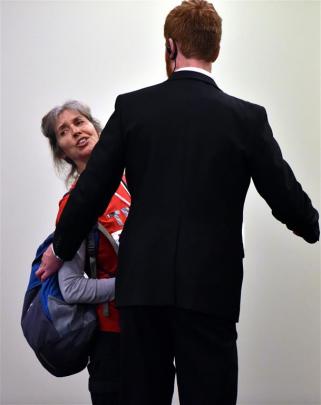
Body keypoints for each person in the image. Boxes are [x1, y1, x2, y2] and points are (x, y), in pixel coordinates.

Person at [37, 1, 319, 404]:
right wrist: (311, 225)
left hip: (143, 289)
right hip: (211, 290)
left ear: (171, 46)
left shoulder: (133, 108)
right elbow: (285, 194)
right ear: (215, 50)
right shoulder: (246, 118)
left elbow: (92, 189)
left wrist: (59, 248)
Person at [39, 100, 131, 405]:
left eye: (80, 122)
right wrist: (132, 286)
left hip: (154, 330)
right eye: (64, 131)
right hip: (113, 340)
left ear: (95, 128)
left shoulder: (135, 184)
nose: (76, 131)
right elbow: (71, 287)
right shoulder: (72, 208)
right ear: (61, 151)